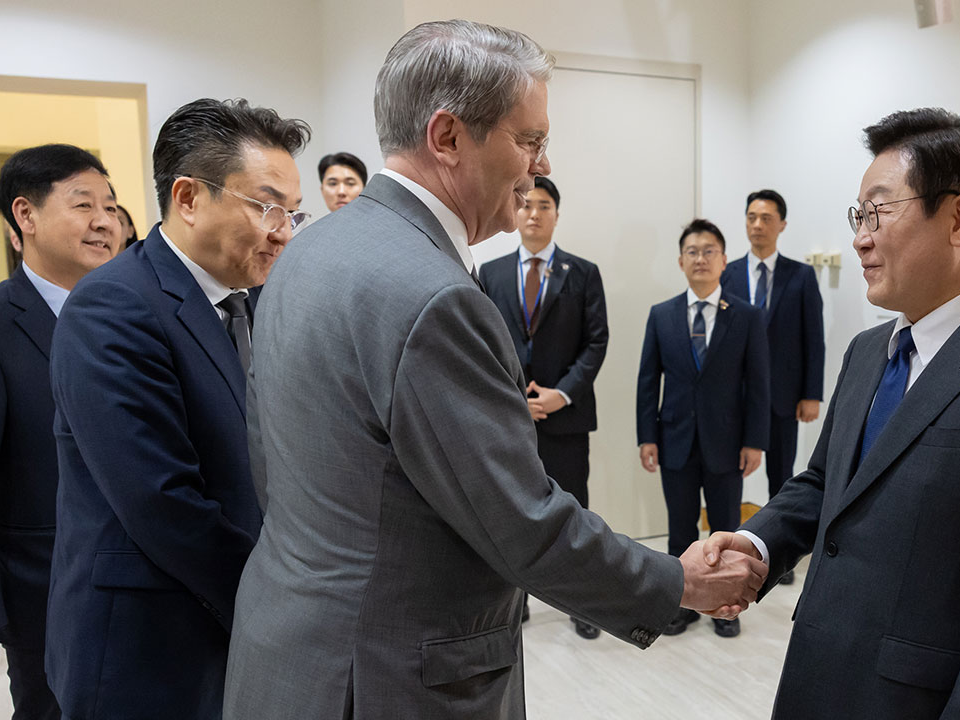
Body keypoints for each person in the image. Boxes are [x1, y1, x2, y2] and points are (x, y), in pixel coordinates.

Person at [223, 20, 765, 720]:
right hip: (392, 675)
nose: (540, 167)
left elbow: (273, 459)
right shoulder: (433, 294)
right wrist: (675, 581)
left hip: (292, 652)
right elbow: (522, 521)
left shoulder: (307, 251)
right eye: (529, 140)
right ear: (447, 137)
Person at [704, 108, 960, 719]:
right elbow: (826, 484)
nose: (860, 236)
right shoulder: (870, 351)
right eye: (857, 215)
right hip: (817, 675)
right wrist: (759, 542)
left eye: (879, 211)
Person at [45, 98, 310, 720]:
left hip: (226, 631)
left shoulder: (252, 303)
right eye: (267, 205)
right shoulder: (114, 308)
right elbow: (161, 501)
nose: (284, 230)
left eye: (293, 213)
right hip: (147, 645)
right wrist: (282, 603)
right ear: (189, 197)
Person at [0, 143, 122, 720]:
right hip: (42, 602)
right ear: (25, 215)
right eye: (83, 204)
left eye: (111, 204)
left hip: (152, 597)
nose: (105, 220)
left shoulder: (137, 318)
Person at [479, 175, 609, 640]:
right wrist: (515, 397)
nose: (533, 213)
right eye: (527, 204)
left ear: (556, 213)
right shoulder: (488, 273)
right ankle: (516, 600)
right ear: (516, 211)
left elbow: (596, 342)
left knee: (574, 512)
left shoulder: (583, 272)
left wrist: (561, 393)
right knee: (509, 511)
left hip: (567, 417)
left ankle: (582, 604)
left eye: (544, 205)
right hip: (509, 418)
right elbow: (480, 345)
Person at [636, 218, 770, 639]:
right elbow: (647, 381)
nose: (700, 258)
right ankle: (683, 601)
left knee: (726, 527)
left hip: (727, 443)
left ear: (724, 261)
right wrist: (647, 436)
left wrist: (754, 442)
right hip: (674, 439)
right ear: (681, 261)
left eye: (709, 251)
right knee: (680, 526)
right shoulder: (662, 315)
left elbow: (759, 384)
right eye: (692, 251)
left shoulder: (746, 316)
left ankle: (725, 607)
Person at [723, 189, 824, 585]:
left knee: (783, 476)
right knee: (729, 474)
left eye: (766, 218)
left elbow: (813, 338)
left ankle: (777, 554)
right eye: (751, 217)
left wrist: (811, 393)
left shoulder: (800, 276)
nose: (757, 225)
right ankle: (730, 550)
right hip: (737, 396)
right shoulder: (726, 274)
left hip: (784, 395)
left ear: (781, 224)